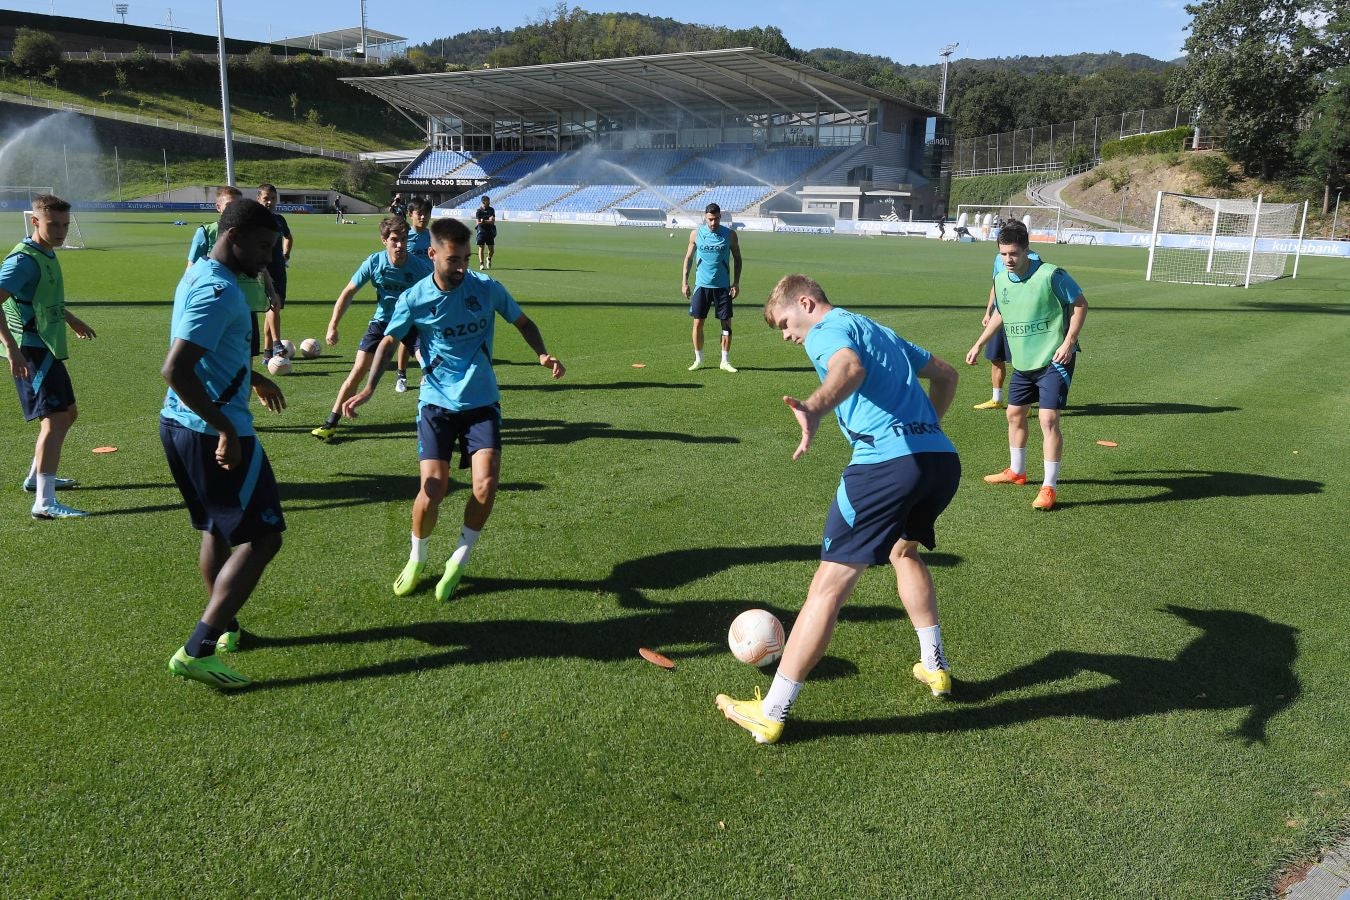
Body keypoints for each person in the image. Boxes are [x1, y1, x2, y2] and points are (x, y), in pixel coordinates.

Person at [715, 274, 961, 745]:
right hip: (940, 461)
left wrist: (814, 406)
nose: (788, 335)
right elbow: (947, 375)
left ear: (806, 303)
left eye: (787, 323)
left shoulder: (827, 332)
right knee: (903, 552)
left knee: (826, 589)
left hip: (886, 466)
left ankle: (772, 711)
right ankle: (936, 667)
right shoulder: (877, 330)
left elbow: (848, 369)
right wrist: (923, 433)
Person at [341, 217, 564, 602]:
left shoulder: (486, 287)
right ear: (432, 254)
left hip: (481, 401)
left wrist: (542, 353)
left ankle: (459, 560)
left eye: (465, 258)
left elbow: (523, 322)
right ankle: (417, 558)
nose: (461, 267)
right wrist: (368, 389)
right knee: (433, 489)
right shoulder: (415, 298)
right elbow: (388, 341)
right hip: (436, 404)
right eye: (452, 260)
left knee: (486, 484)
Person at [161, 198, 287, 689]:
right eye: (260, 246)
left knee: (215, 530)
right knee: (264, 537)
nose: (267, 258)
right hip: (211, 430)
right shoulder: (219, 291)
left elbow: (200, 354)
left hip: (179, 425)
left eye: (272, 248)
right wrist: (226, 430)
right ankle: (199, 647)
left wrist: (249, 374)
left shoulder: (197, 276)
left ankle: (225, 626)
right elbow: (175, 368)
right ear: (231, 237)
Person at [965, 220, 1087, 511]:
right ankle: (1017, 471)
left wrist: (1068, 341)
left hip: (1053, 359)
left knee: (1048, 420)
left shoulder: (1051, 274)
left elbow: (1080, 304)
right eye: (1004, 254)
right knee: (1015, 414)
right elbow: (1001, 314)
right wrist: (979, 343)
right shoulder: (1001, 279)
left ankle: (1049, 487)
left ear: (1026, 251)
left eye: (1014, 254)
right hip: (1023, 361)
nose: (1008, 259)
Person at [0, 194, 97, 520]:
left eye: (65, 225)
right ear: (35, 221)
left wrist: (71, 319)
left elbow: (38, 296)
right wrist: (13, 351)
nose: (60, 231)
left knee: (67, 413)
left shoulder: (46, 253)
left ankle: (35, 478)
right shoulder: (23, 260)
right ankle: (44, 501)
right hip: (30, 350)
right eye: (53, 224)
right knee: (54, 419)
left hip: (48, 345)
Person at [311, 215, 433, 442]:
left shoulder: (419, 267)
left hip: (411, 322)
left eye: (404, 240)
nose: (400, 245)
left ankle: (439, 422)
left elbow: (438, 292)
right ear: (384, 240)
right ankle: (330, 422)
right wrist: (332, 326)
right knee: (357, 371)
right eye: (395, 240)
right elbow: (348, 292)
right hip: (382, 322)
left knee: (429, 367)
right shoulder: (374, 262)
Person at [187, 186, 280, 362]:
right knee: (217, 354)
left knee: (247, 356)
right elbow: (191, 269)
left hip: (246, 302)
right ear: (218, 207)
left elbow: (260, 265)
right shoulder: (206, 233)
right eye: (230, 205)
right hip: (219, 301)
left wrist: (271, 292)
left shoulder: (248, 233)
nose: (235, 210)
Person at [973, 245, 1041, 411]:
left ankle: (1026, 403)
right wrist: (988, 311)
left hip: (1020, 316)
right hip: (1000, 313)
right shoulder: (999, 258)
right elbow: (996, 284)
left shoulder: (1034, 259)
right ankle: (997, 398)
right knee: (996, 356)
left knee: (1024, 360)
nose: (1007, 257)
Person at [680, 202, 742, 373]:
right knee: (698, 323)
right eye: (709, 219)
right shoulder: (696, 234)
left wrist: (736, 282)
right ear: (705, 218)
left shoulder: (729, 235)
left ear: (720, 216)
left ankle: (725, 361)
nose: (713, 223)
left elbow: (737, 258)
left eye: (715, 219)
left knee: (726, 325)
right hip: (702, 286)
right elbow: (688, 258)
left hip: (722, 287)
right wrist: (684, 281)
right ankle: (698, 359)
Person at [395, 197, 434, 393]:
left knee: (428, 333)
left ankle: (427, 374)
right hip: (408, 294)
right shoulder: (403, 236)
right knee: (405, 336)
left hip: (430, 292)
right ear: (410, 215)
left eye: (427, 213)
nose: (424, 217)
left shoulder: (432, 236)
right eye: (420, 213)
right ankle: (401, 375)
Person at [256, 184, 293, 363]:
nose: (269, 202)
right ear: (259, 199)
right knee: (273, 305)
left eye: (272, 198)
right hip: (263, 268)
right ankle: (277, 343)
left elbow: (288, 237)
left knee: (273, 308)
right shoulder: (254, 220)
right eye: (266, 198)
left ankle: (267, 351)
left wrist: (286, 255)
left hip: (279, 268)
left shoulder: (279, 220)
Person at [474, 195, 497, 271]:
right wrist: (487, 221)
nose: (489, 202)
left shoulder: (491, 210)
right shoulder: (479, 211)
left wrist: (484, 221)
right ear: (484, 202)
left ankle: (489, 258)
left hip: (490, 230)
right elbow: (478, 223)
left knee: (491, 250)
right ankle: (481, 264)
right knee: (481, 247)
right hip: (481, 231)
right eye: (488, 201)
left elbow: (493, 221)